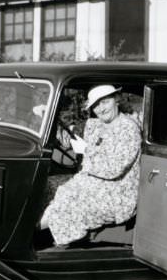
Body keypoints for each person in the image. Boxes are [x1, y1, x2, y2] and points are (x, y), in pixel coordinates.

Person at [40, 85, 141, 246]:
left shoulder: (128, 128)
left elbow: (113, 169)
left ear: (116, 100)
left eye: (105, 102)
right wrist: (47, 116)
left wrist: (87, 150)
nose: (101, 109)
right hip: (91, 181)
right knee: (47, 185)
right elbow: (68, 138)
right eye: (96, 105)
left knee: (67, 197)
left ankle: (30, 236)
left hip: (116, 191)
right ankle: (39, 233)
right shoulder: (94, 125)